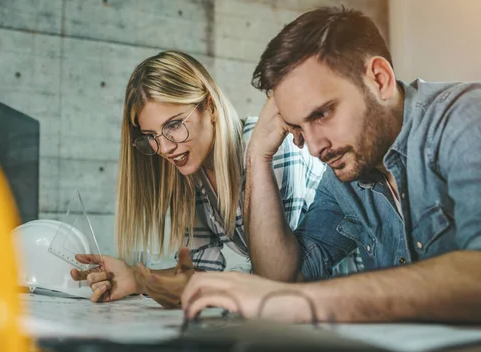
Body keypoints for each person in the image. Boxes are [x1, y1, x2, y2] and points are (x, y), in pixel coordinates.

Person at [182, 6, 481, 323]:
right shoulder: (345, 175)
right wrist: (258, 154)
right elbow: (283, 279)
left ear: (379, 79)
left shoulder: (465, 119)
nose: (314, 147)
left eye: (321, 114)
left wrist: (304, 302)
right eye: (298, 126)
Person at [71, 50, 358, 307]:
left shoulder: (269, 148)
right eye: (151, 137)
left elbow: (278, 276)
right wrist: (134, 278)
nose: (166, 148)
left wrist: (150, 281)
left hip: (346, 302)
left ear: (209, 107)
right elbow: (203, 273)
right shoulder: (189, 171)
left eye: (173, 125)